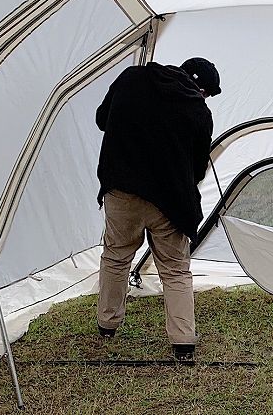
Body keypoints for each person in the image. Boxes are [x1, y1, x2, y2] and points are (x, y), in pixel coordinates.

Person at [94, 57, 220, 361]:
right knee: (175, 270)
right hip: (170, 204)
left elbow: (102, 120)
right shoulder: (198, 110)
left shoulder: (131, 78)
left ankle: (107, 324)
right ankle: (183, 341)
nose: (205, 98)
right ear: (200, 87)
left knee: (116, 256)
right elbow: (198, 168)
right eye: (207, 92)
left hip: (121, 191)